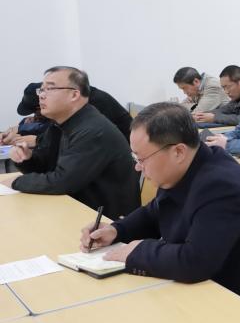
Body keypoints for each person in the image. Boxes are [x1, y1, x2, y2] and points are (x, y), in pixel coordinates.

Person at [83, 103, 240, 323]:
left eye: (142, 159)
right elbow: (156, 211)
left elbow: (194, 262)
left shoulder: (221, 185)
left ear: (178, 151)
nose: (138, 168)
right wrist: (116, 230)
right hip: (217, 290)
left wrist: (137, 252)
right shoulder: (187, 168)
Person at [1, 67, 140, 218]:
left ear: (74, 94)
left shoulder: (93, 130)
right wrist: (26, 159)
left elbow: (62, 182)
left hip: (105, 220)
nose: (41, 95)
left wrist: (16, 182)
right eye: (41, 90)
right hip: (74, 207)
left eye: (50, 88)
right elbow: (46, 167)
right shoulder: (59, 124)